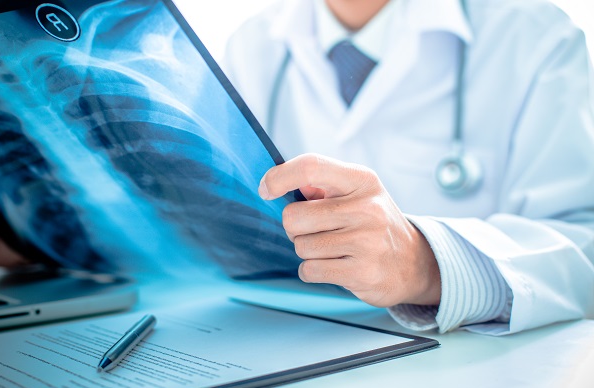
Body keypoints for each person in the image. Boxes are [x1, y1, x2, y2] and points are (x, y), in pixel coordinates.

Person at [222, 0, 594, 335]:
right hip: (284, 334)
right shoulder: (250, 45)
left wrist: (427, 266)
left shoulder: (537, 37)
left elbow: (583, 255)